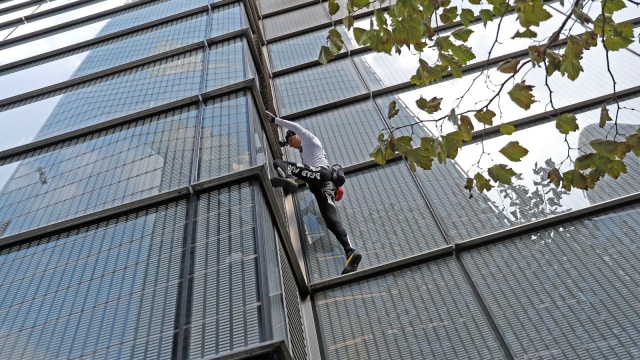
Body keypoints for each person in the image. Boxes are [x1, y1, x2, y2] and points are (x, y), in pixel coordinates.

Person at [266, 111, 362, 275]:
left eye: (292, 140)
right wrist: (284, 143)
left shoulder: (311, 140)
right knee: (330, 220)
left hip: (322, 174)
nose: (292, 144)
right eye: (289, 143)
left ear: (297, 136)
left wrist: (276, 120)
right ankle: (350, 250)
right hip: (323, 186)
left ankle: (289, 178)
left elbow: (295, 127)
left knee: (279, 163)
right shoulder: (304, 152)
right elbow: (303, 164)